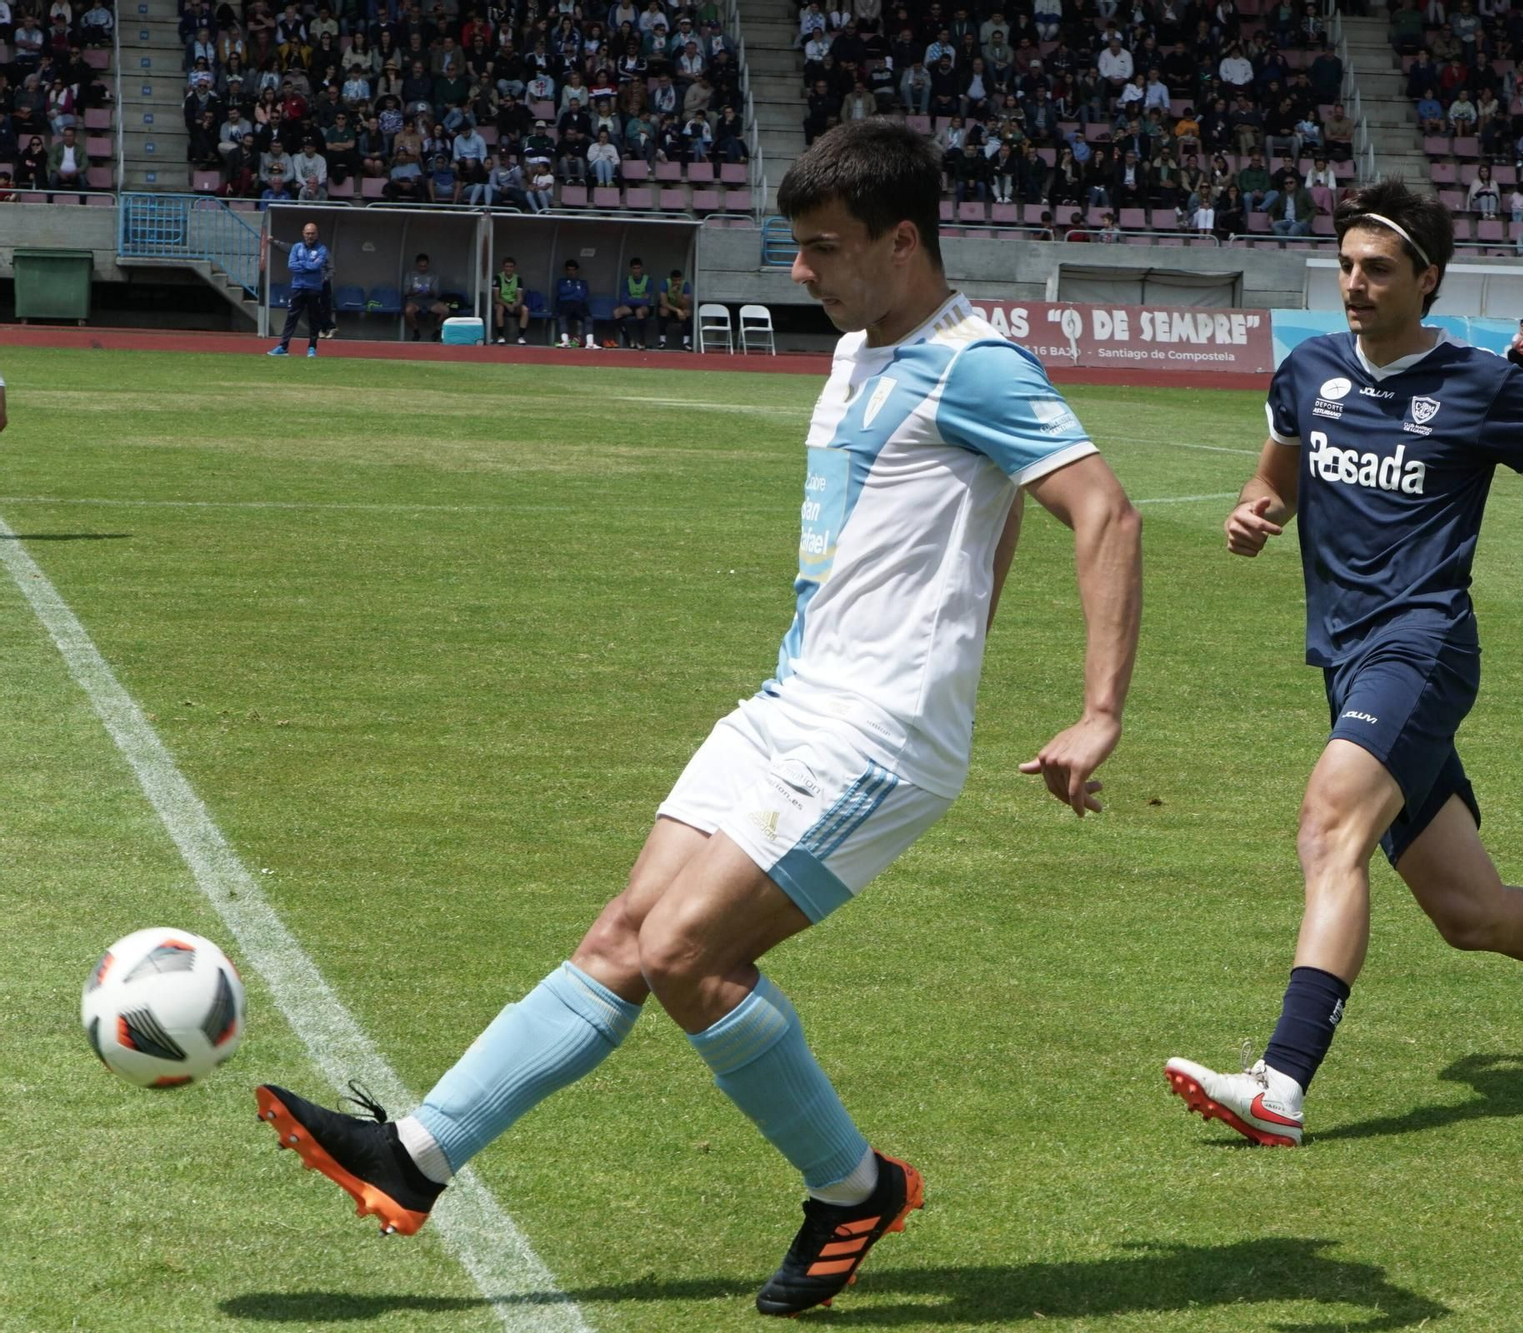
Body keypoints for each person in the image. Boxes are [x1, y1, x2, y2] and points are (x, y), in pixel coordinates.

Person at [253, 118, 1143, 1318]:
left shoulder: (974, 364)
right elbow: (990, 519)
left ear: (901, 241)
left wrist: (1095, 712)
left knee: (689, 956)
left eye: (822, 249)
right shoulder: (856, 356)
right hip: (789, 701)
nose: (798, 272)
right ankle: (414, 1154)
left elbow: (1102, 511)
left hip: (874, 738)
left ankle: (855, 1189)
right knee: (624, 934)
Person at [1162, 179, 1523, 1148]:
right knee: (1471, 914)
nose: (1353, 284)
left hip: (1422, 646)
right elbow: (1273, 481)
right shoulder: (1306, 370)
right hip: (1345, 661)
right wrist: (1255, 514)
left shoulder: (1480, 386)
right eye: (1345, 266)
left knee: (1327, 826)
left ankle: (1279, 1083)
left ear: (1426, 279)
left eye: (1376, 270)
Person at [268, 220, 332, 357]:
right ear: (303, 234)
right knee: (292, 317)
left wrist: (302, 264)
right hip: (297, 287)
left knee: (314, 318)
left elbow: (316, 266)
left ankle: (312, 348)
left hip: (314, 288)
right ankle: (283, 347)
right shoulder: (297, 247)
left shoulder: (322, 249)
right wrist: (308, 265)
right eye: (308, 233)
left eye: (313, 233)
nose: (310, 236)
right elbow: (291, 265)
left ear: (317, 234)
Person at [611, 256, 657, 348]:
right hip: (631, 305)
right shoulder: (627, 280)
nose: (636, 271)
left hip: (645, 307)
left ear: (641, 268)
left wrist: (632, 299)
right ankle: (629, 341)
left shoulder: (648, 280)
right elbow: (624, 299)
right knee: (616, 312)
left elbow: (646, 300)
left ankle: (641, 341)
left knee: (639, 311)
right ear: (631, 269)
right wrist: (637, 300)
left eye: (638, 268)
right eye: (634, 268)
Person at [553, 257, 599, 348]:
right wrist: (575, 290)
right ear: (566, 271)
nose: (571, 272)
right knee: (562, 317)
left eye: (573, 270)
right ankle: (565, 341)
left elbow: (583, 294)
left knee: (588, 318)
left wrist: (569, 291)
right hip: (565, 304)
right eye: (569, 270)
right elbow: (562, 291)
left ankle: (590, 343)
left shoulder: (582, 282)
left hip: (578, 305)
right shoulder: (561, 281)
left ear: (576, 271)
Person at [402, 252, 449, 340]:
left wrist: (429, 291)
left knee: (445, 310)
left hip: (430, 299)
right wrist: (415, 292)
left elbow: (436, 293)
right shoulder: (410, 275)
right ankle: (416, 331)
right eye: (420, 266)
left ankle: (437, 330)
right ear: (416, 265)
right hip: (414, 299)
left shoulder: (433, 275)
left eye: (425, 266)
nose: (423, 268)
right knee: (408, 311)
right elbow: (406, 292)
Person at [491, 255, 530, 345]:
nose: (508, 269)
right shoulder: (498, 278)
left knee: (525, 309)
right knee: (500, 308)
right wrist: (507, 305)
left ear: (514, 267)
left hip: (513, 303)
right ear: (503, 267)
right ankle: (500, 336)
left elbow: (519, 297)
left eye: (511, 266)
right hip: (501, 302)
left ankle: (520, 336)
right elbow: (496, 297)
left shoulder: (518, 278)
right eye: (507, 266)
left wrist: (515, 304)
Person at [657, 268, 693, 349]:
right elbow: (664, 303)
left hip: (680, 307)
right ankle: (662, 340)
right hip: (669, 308)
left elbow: (686, 305)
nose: (677, 283)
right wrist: (677, 310)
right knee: (663, 311)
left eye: (679, 280)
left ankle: (686, 342)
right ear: (671, 280)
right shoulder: (665, 283)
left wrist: (677, 294)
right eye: (675, 280)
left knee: (687, 312)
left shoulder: (685, 285)